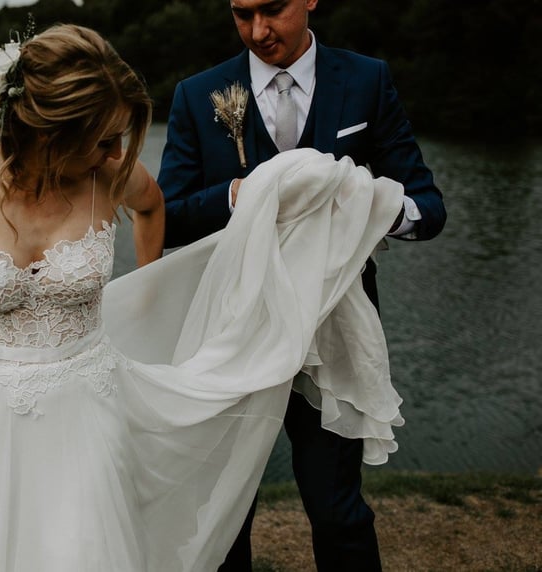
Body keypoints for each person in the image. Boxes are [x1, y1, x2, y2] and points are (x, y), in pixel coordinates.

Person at [0, 22, 405, 572]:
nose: (119, 153)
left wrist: (152, 293)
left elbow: (153, 206)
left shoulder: (107, 178)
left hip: (88, 416)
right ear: (51, 133)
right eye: (104, 141)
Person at [157, 0, 447, 570]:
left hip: (332, 334)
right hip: (232, 333)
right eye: (242, 14)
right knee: (224, 511)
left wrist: (364, 202)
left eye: (272, 10)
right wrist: (238, 196)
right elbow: (165, 217)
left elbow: (428, 209)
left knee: (337, 510)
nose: (258, 31)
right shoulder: (198, 93)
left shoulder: (367, 80)